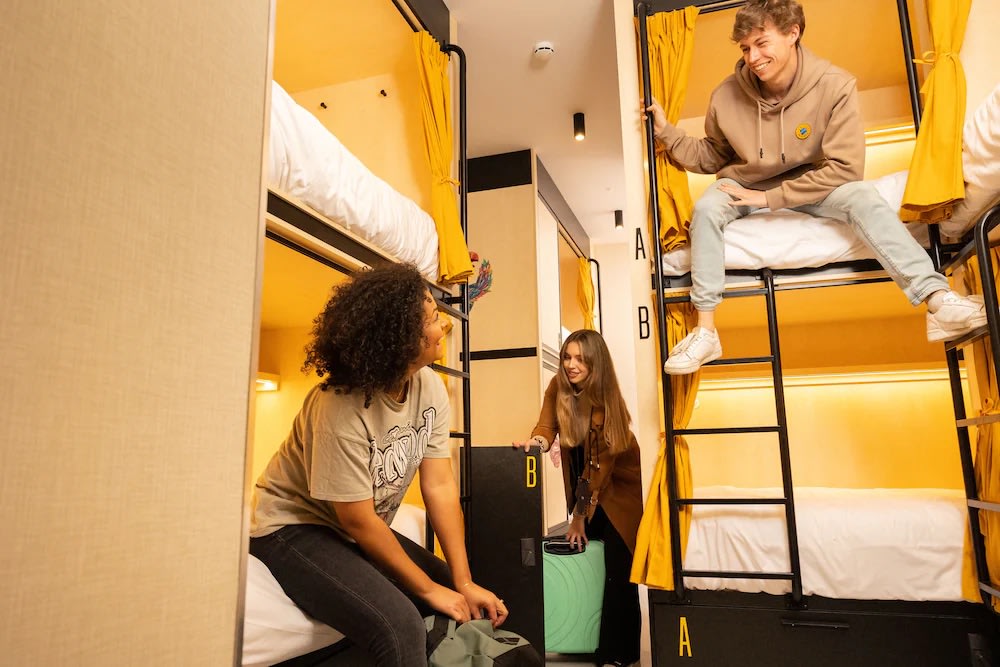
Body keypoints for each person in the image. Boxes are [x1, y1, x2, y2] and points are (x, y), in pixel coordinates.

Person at [643, 0, 987, 375]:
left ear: (793, 33)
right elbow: (712, 155)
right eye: (745, 48)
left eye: (761, 43)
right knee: (707, 209)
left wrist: (771, 198)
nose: (752, 58)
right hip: (743, 183)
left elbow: (846, 168)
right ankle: (706, 332)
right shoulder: (725, 95)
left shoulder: (835, 85)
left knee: (862, 196)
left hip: (814, 180)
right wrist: (668, 134)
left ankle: (938, 302)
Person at [249, 263, 507, 667]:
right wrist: (425, 590)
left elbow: (438, 486)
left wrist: (462, 581)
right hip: (292, 528)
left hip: (350, 528)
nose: (443, 328)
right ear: (403, 340)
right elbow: (357, 520)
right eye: (435, 319)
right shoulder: (339, 405)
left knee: (461, 600)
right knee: (401, 624)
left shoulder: (429, 387)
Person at [514, 330, 643, 667]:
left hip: (619, 493)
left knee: (618, 568)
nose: (570, 365)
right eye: (567, 357)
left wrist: (578, 518)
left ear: (595, 364)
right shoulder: (558, 387)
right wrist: (536, 445)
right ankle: (582, 638)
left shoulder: (605, 403)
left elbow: (598, 470)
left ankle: (620, 652)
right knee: (589, 560)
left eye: (580, 360)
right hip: (589, 487)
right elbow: (545, 428)